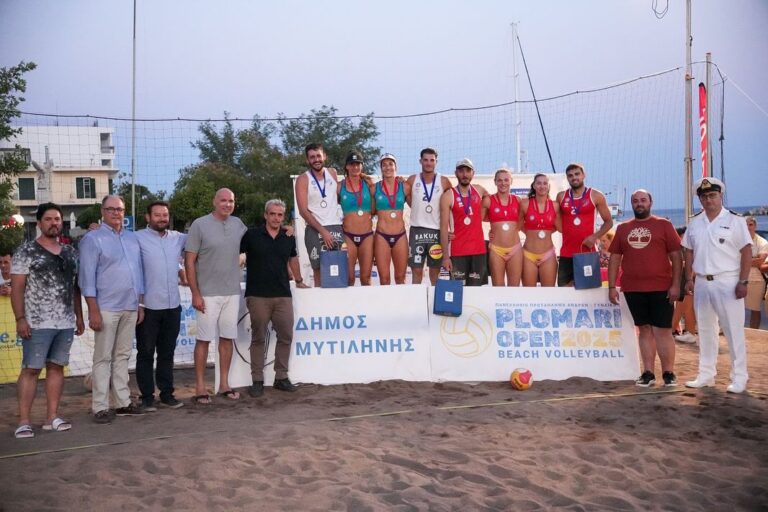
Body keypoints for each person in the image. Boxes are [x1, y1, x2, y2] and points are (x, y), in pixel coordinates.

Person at [11, 203, 84, 438]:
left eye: (57, 219)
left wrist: (79, 316)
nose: (54, 223)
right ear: (40, 223)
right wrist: (20, 318)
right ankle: (24, 420)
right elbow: (17, 288)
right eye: (49, 219)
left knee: (56, 368)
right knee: (31, 369)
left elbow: (74, 288)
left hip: (64, 322)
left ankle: (51, 416)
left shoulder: (70, 252)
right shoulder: (26, 251)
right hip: (36, 322)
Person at [682, 177, 752, 394]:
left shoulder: (735, 221)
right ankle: (706, 374)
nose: (708, 200)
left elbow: (746, 251)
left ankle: (739, 377)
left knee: (733, 331)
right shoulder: (695, 222)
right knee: (705, 330)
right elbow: (688, 251)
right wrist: (688, 278)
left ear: (720, 196)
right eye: (704, 196)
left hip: (728, 281)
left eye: (712, 195)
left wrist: (743, 280)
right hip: (702, 281)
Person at [79, 195, 145, 423]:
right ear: (103, 210)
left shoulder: (132, 238)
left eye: (120, 209)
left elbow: (139, 274)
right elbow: (86, 278)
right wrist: (93, 310)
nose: (116, 213)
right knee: (103, 358)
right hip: (106, 307)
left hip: (130, 305)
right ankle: (100, 406)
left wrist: (140, 304)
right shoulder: (92, 239)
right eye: (111, 209)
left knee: (123, 356)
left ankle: (122, 403)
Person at [608, 189, 682, 387]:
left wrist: (676, 285)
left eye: (643, 200)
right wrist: (612, 286)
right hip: (633, 288)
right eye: (635, 201)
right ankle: (648, 372)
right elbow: (615, 258)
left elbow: (677, 256)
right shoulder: (623, 228)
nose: (639, 203)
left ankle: (669, 373)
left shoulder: (664, 225)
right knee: (644, 330)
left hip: (661, 287)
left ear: (651, 202)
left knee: (663, 331)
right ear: (631, 204)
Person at [241, 199, 309, 398]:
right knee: (258, 338)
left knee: (286, 336)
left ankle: (281, 377)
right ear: (265, 215)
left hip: (282, 296)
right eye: (272, 214)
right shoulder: (251, 235)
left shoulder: (288, 236)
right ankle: (257, 380)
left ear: (283, 217)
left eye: (280, 215)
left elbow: (293, 258)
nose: (276, 218)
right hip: (257, 295)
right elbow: (235, 255)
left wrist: (299, 280)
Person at [185, 188, 247, 404]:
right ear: (214, 201)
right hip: (207, 294)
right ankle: (201, 387)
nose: (227, 204)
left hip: (232, 292)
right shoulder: (199, 225)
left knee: (227, 339)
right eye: (223, 200)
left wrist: (286, 229)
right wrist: (195, 293)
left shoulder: (238, 224)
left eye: (231, 201)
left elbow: (254, 242)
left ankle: (224, 384)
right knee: (203, 340)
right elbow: (189, 261)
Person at [134, 201, 187, 411]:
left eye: (165, 215)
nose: (162, 218)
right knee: (145, 353)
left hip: (173, 305)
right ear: (148, 217)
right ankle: (147, 397)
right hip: (148, 307)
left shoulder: (178, 238)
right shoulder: (136, 238)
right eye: (157, 215)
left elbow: (204, 238)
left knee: (167, 352)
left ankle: (167, 394)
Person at [294, 143, 343, 287]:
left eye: (318, 156)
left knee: (337, 269)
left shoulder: (332, 173)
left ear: (324, 156)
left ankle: (337, 307)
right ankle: (321, 308)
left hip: (335, 226)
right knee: (319, 271)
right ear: (307, 160)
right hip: (315, 229)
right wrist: (323, 231)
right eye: (312, 157)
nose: (316, 159)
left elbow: (341, 196)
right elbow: (303, 211)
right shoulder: (303, 179)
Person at [556, 163, 613, 287]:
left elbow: (609, 222)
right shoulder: (561, 197)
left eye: (577, 174)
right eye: (570, 175)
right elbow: (558, 224)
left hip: (588, 252)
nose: (574, 177)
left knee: (588, 291)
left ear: (584, 175)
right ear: (567, 178)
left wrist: (595, 237)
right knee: (564, 292)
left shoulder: (596, 195)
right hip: (566, 253)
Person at [406, 148, 452, 285]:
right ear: (420, 161)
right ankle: (416, 303)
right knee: (416, 272)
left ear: (436, 162)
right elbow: (409, 200)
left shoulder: (443, 181)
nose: (428, 163)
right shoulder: (412, 179)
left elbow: (452, 206)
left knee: (434, 274)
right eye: (425, 160)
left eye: (432, 160)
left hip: (436, 231)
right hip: (417, 230)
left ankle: (434, 304)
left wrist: (451, 230)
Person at [439, 158, 489, 286]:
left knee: (477, 292)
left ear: (473, 173)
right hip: (457, 252)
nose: (465, 174)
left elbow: (493, 208)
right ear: (456, 173)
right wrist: (445, 257)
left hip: (478, 251)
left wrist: (493, 229)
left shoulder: (480, 191)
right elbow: (443, 228)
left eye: (468, 171)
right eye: (461, 171)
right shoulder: (448, 195)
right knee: (458, 293)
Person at [338, 150, 375, 286]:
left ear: (362, 166)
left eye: (358, 164)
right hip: (348, 236)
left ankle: (367, 307)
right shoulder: (339, 186)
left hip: (367, 236)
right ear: (347, 166)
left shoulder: (368, 183)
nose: (355, 167)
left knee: (366, 278)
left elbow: (375, 209)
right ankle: (348, 308)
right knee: (349, 278)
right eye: (352, 164)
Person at [374, 153, 410, 285]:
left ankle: (401, 306)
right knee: (384, 279)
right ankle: (385, 306)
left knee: (400, 278)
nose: (387, 167)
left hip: (400, 235)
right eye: (384, 165)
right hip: (382, 235)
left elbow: (416, 206)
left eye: (390, 164)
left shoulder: (405, 187)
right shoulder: (374, 188)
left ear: (396, 167)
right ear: (381, 168)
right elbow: (369, 210)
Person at [483, 168, 523, 286]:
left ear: (511, 181)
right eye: (499, 180)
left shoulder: (518, 200)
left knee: (514, 287)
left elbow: (524, 223)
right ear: (495, 182)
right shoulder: (488, 200)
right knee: (498, 287)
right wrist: (495, 228)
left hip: (515, 249)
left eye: (506, 180)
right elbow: (479, 218)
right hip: (496, 249)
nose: (503, 183)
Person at [519, 174, 560, 287]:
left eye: (545, 183)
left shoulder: (555, 206)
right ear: (534, 185)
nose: (542, 186)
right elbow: (517, 225)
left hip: (548, 254)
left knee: (548, 293)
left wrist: (547, 232)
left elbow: (560, 228)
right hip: (528, 254)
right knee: (529, 293)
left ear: (548, 186)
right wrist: (530, 232)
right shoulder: (525, 203)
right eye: (539, 183)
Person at [672, 226, 698, 343]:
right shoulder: (682, 248)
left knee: (685, 306)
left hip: (688, 281)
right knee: (684, 307)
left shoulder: (687, 248)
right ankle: (689, 331)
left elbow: (690, 264)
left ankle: (689, 331)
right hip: (684, 281)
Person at [745, 216, 768, 329]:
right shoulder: (738, 241)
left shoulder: (762, 242)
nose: (748, 227)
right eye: (746, 225)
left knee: (755, 310)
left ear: (755, 226)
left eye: (751, 225)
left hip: (756, 280)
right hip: (739, 278)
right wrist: (753, 259)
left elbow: (760, 262)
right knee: (734, 308)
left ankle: (753, 334)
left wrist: (743, 260)